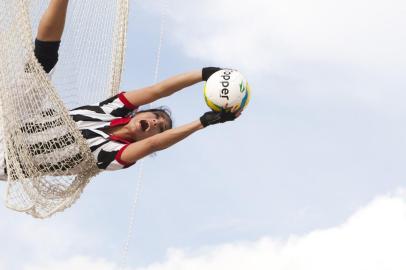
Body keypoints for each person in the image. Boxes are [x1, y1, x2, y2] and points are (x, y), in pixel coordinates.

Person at [0, 0, 241, 180]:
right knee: (43, 61)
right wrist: (205, 73)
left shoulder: (111, 154)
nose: (156, 123)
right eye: (157, 116)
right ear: (138, 113)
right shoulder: (110, 110)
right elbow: (158, 89)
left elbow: (153, 146)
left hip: (6, 159)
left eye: (161, 128)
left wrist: (203, 122)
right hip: (14, 120)